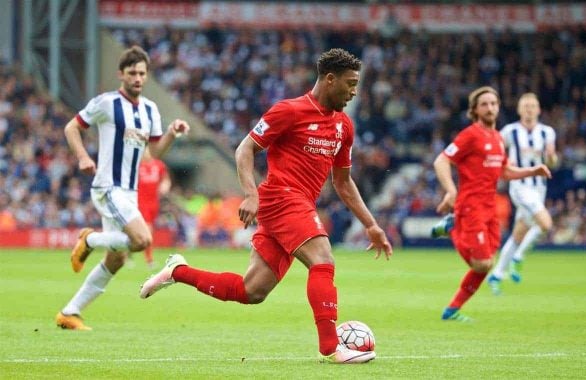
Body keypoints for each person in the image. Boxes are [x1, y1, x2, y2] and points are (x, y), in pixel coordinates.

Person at [140, 48, 393, 364]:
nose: (354, 91)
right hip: (281, 198)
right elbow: (245, 149)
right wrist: (250, 193)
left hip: (296, 206)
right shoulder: (289, 111)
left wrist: (370, 223)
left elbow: (343, 182)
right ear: (330, 79)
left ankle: (178, 271)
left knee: (251, 291)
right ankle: (331, 348)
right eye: (350, 83)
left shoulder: (344, 126)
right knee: (322, 260)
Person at [56, 46, 190, 330]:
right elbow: (72, 127)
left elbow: (154, 153)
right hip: (108, 186)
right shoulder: (106, 103)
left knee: (116, 259)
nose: (138, 78)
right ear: (122, 74)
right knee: (142, 240)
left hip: (129, 192)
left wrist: (171, 134)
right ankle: (90, 239)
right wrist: (82, 157)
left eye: (142, 73)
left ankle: (70, 312)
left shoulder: (151, 110)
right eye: (132, 73)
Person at [433, 86, 551, 321]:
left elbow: (504, 170)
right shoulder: (470, 135)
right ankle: (453, 226)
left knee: (487, 263)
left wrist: (532, 170)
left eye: (494, 103)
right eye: (484, 104)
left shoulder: (498, 138)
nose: (490, 108)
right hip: (470, 206)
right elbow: (441, 160)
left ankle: (452, 310)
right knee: (483, 263)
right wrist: (450, 190)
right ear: (475, 110)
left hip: (490, 208)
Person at [487, 93, 558, 295]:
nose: (529, 109)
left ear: (538, 110)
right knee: (545, 223)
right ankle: (518, 258)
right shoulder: (509, 131)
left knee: (519, 233)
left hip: (539, 188)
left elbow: (553, 161)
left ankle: (497, 274)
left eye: (532, 106)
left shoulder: (547, 132)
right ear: (519, 110)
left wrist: (551, 157)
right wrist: (506, 166)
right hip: (520, 186)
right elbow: (497, 155)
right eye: (525, 106)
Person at [137, 148, 171, 268]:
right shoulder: (136, 166)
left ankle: (127, 253)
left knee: (144, 231)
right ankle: (149, 260)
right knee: (148, 229)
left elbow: (166, 179)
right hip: (141, 202)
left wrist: (165, 186)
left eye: (145, 150)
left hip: (154, 203)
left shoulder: (159, 165)